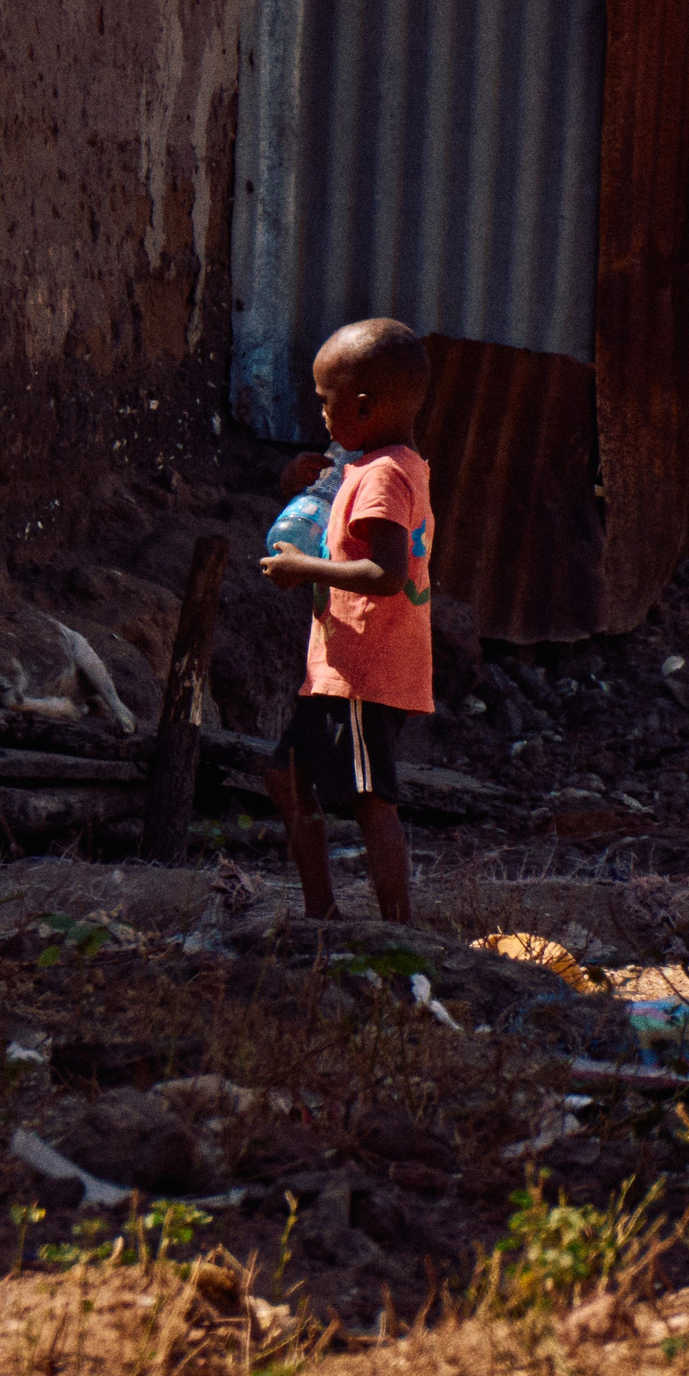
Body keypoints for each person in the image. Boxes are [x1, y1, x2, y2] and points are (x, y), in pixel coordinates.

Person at [257, 318, 434, 923]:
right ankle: (321, 914)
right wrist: (296, 485)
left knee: (370, 800)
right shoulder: (370, 465)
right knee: (285, 773)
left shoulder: (384, 473)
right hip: (341, 666)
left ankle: (398, 928)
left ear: (363, 407)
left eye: (327, 404)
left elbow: (386, 574)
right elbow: (335, 530)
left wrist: (305, 569)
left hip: (363, 669)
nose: (323, 417)